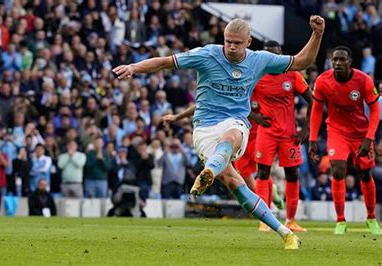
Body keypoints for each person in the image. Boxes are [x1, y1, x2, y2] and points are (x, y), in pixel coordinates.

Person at [113, 16, 326, 249]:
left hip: (236, 123)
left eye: (237, 42)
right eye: (228, 41)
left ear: (248, 41)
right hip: (204, 128)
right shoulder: (207, 55)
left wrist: (317, 34)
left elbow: (302, 61)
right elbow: (165, 62)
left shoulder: (259, 60)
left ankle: (207, 172)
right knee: (236, 184)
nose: (232, 46)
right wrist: (134, 67)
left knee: (232, 134)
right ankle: (286, 233)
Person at [309, 46, 381, 235]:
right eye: (335, 60)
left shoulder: (363, 80)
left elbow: (375, 110)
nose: (338, 63)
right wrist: (312, 139)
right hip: (336, 131)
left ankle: (371, 218)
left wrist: (369, 138)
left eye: (342, 60)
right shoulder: (323, 81)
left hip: (360, 133)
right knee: (338, 170)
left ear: (350, 62)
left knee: (365, 173)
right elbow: (316, 109)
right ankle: (340, 221)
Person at [251, 40, 313, 233]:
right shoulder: (256, 76)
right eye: (269, 55)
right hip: (266, 133)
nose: (273, 58)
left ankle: (291, 220)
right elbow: (238, 97)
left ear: (281, 54)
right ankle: (264, 218)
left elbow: (313, 100)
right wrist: (254, 116)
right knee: (262, 173)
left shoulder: (293, 75)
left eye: (276, 54)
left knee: (293, 174)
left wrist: (306, 128)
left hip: (289, 135)